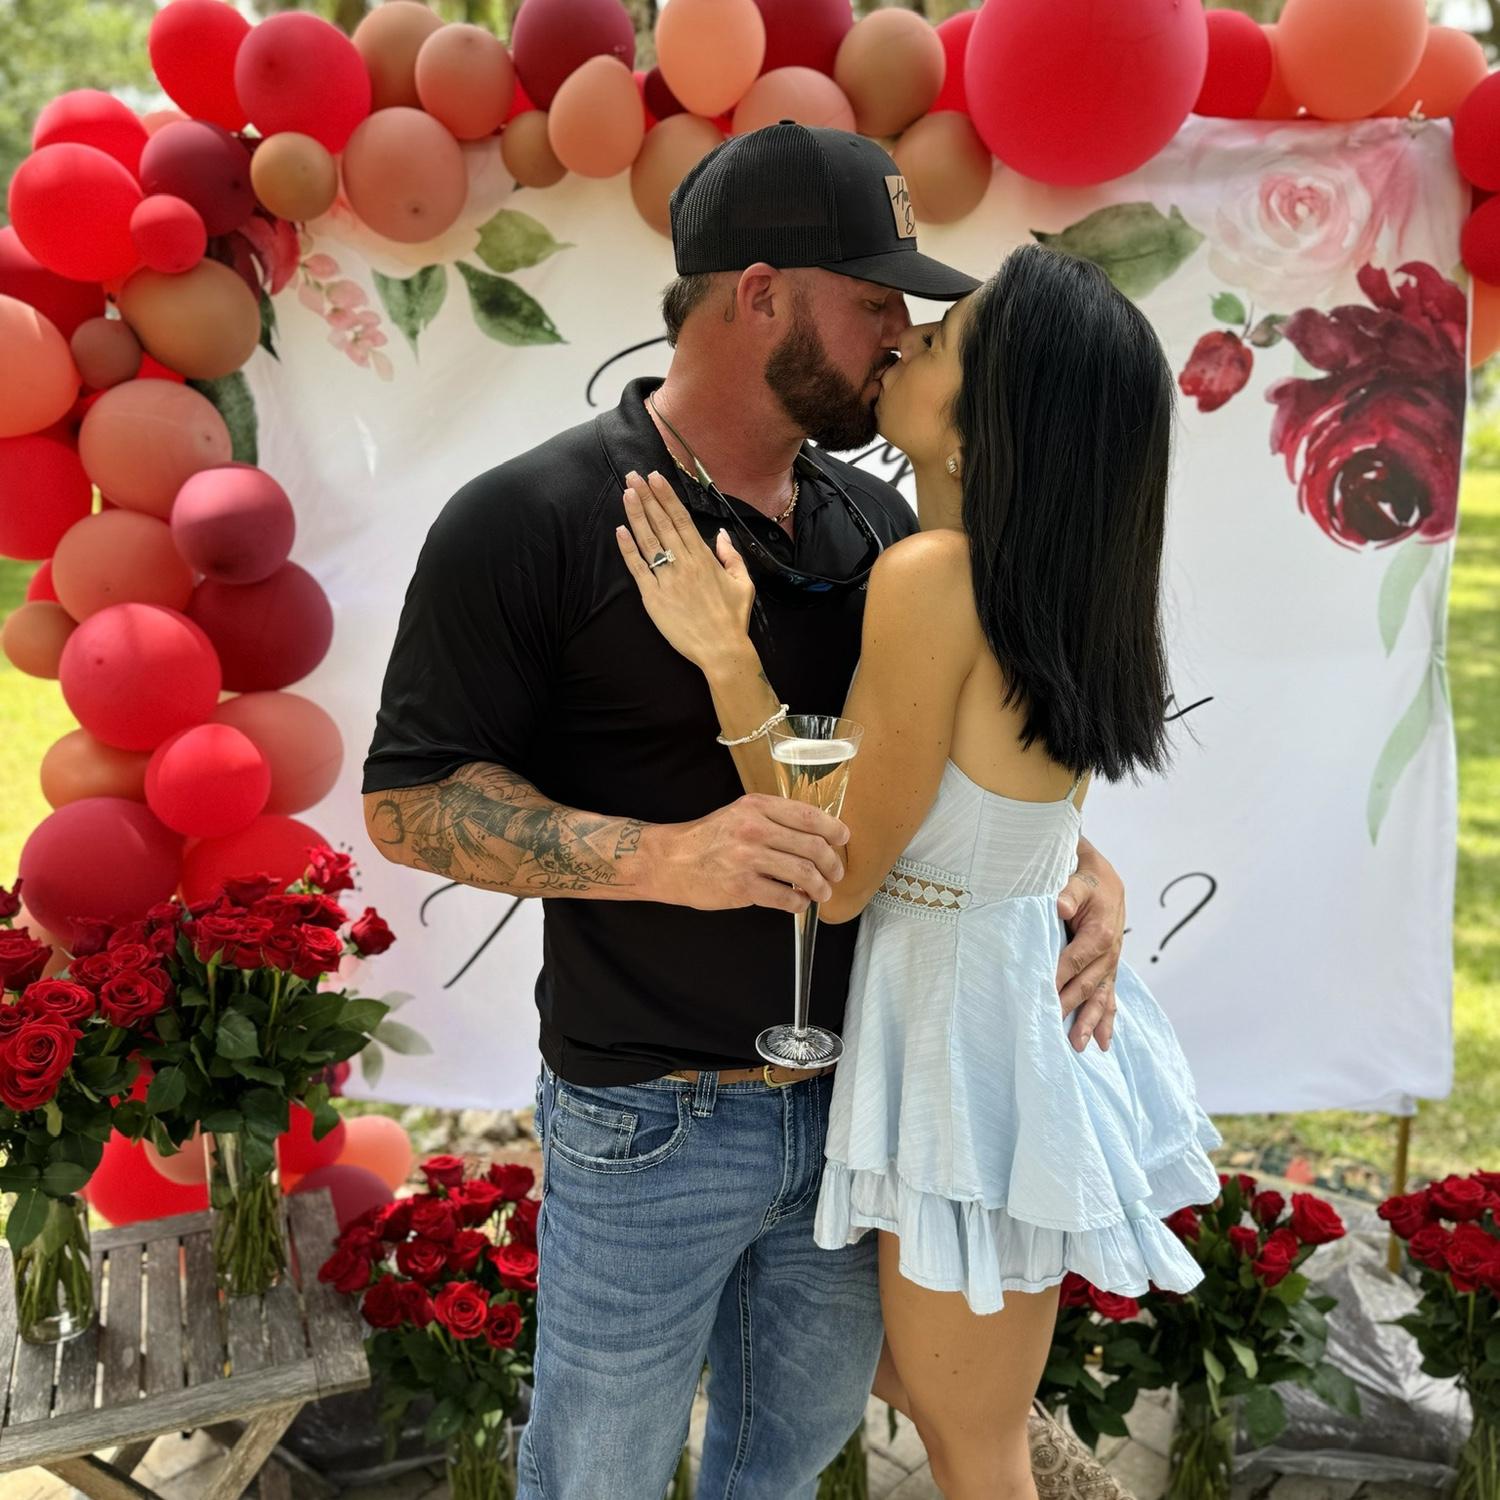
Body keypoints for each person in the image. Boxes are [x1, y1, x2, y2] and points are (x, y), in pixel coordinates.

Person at [361, 124, 1129, 1499]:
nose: (899, 336)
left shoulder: (887, 532)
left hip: (860, 1111)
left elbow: (942, 773)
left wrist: (1079, 870)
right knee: (595, 1479)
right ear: (761, 293)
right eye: (875, 300)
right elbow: (412, 803)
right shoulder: (530, 516)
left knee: (780, 1472)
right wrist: (665, 857)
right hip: (647, 1116)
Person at [614, 241, 1223, 1500]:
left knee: (971, 1446)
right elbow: (1004, 815)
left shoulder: (935, 577)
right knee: (933, 1404)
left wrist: (727, 659)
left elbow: (834, 875)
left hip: (963, 1050)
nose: (901, 341)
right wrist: (1092, 878)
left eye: (939, 345)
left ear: (986, 431)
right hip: (981, 1027)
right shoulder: (1047, 581)